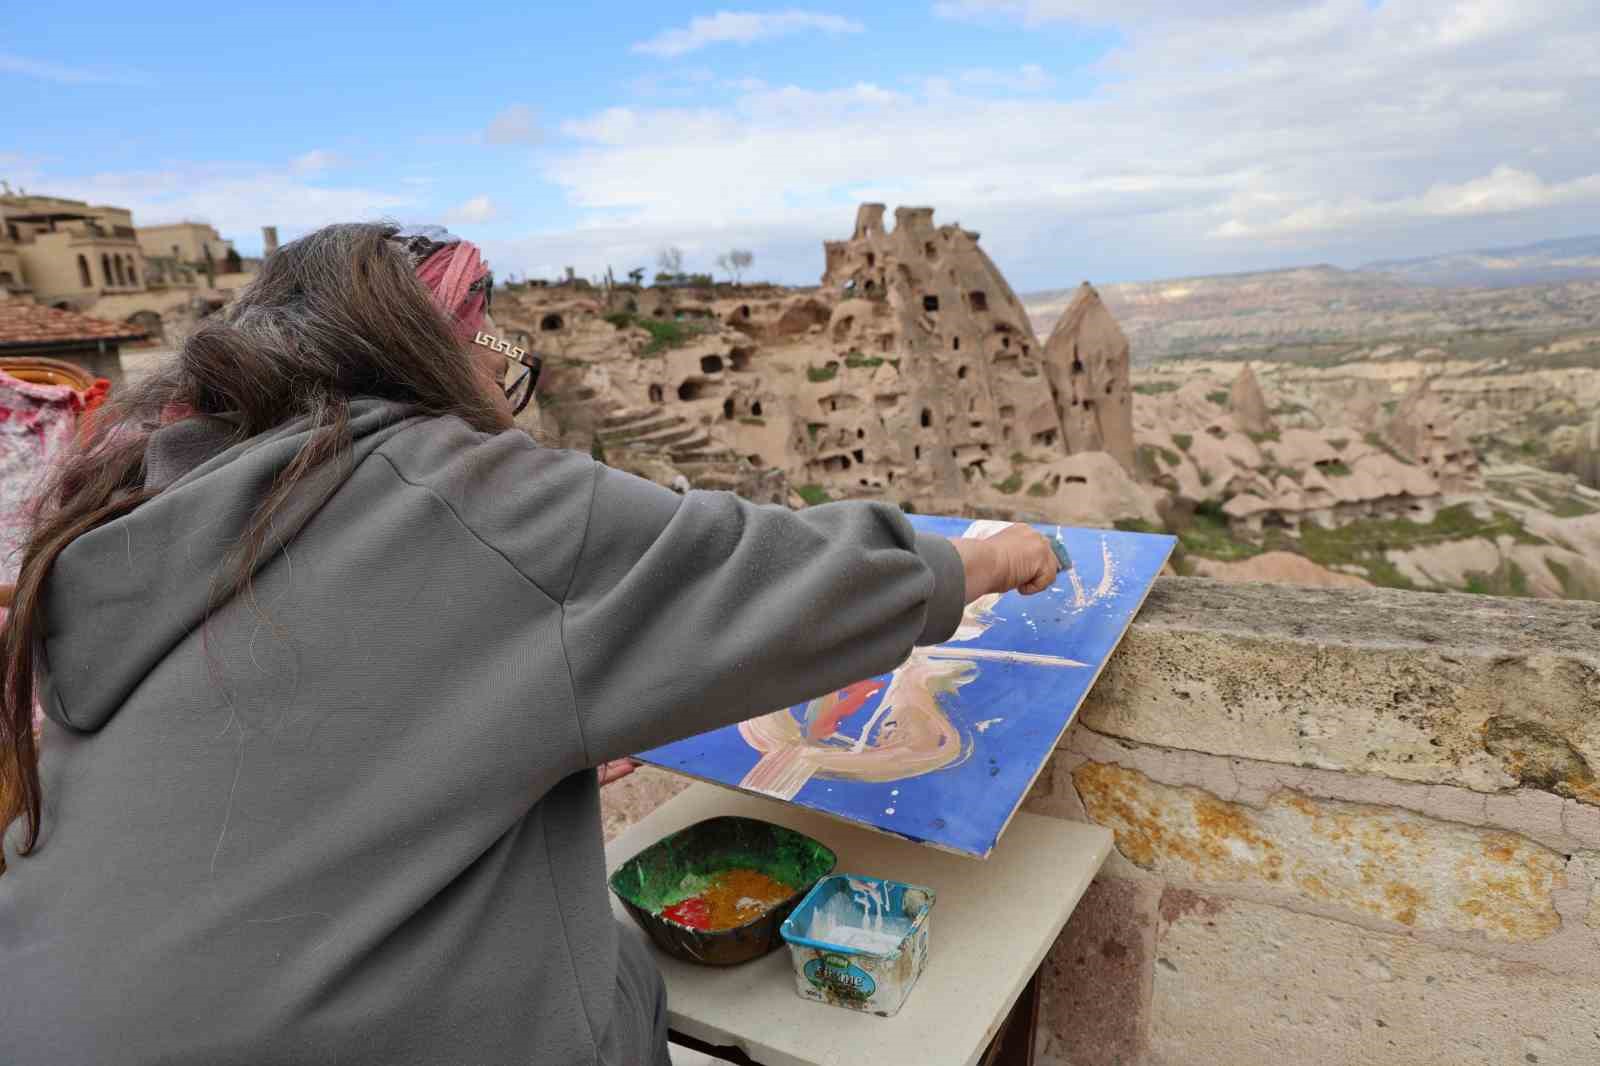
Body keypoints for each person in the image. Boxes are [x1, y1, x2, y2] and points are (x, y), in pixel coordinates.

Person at [0, 222, 1059, 1066]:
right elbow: (758, 570)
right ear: (420, 349)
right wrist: (979, 559)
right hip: (312, 1034)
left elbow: (305, 739)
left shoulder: (149, 507)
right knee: (621, 979)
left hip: (41, 1005)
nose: (505, 381)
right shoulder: (449, 487)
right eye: (489, 344)